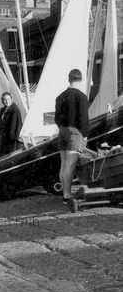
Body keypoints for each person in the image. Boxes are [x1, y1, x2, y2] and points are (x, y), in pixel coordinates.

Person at [55, 68, 89, 212]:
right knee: (70, 165)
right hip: (74, 132)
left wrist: (62, 127)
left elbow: (56, 117)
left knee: (63, 164)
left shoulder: (60, 96)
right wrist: (85, 134)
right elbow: (83, 118)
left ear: (69, 79)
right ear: (81, 80)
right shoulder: (81, 96)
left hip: (62, 131)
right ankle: (67, 195)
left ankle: (64, 194)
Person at [0, 91, 22, 157]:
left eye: (8, 99)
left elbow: (16, 125)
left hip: (11, 140)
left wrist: (14, 139)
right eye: (5, 100)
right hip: (3, 138)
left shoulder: (14, 110)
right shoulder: (3, 110)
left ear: (11, 99)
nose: (7, 101)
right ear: (2, 100)